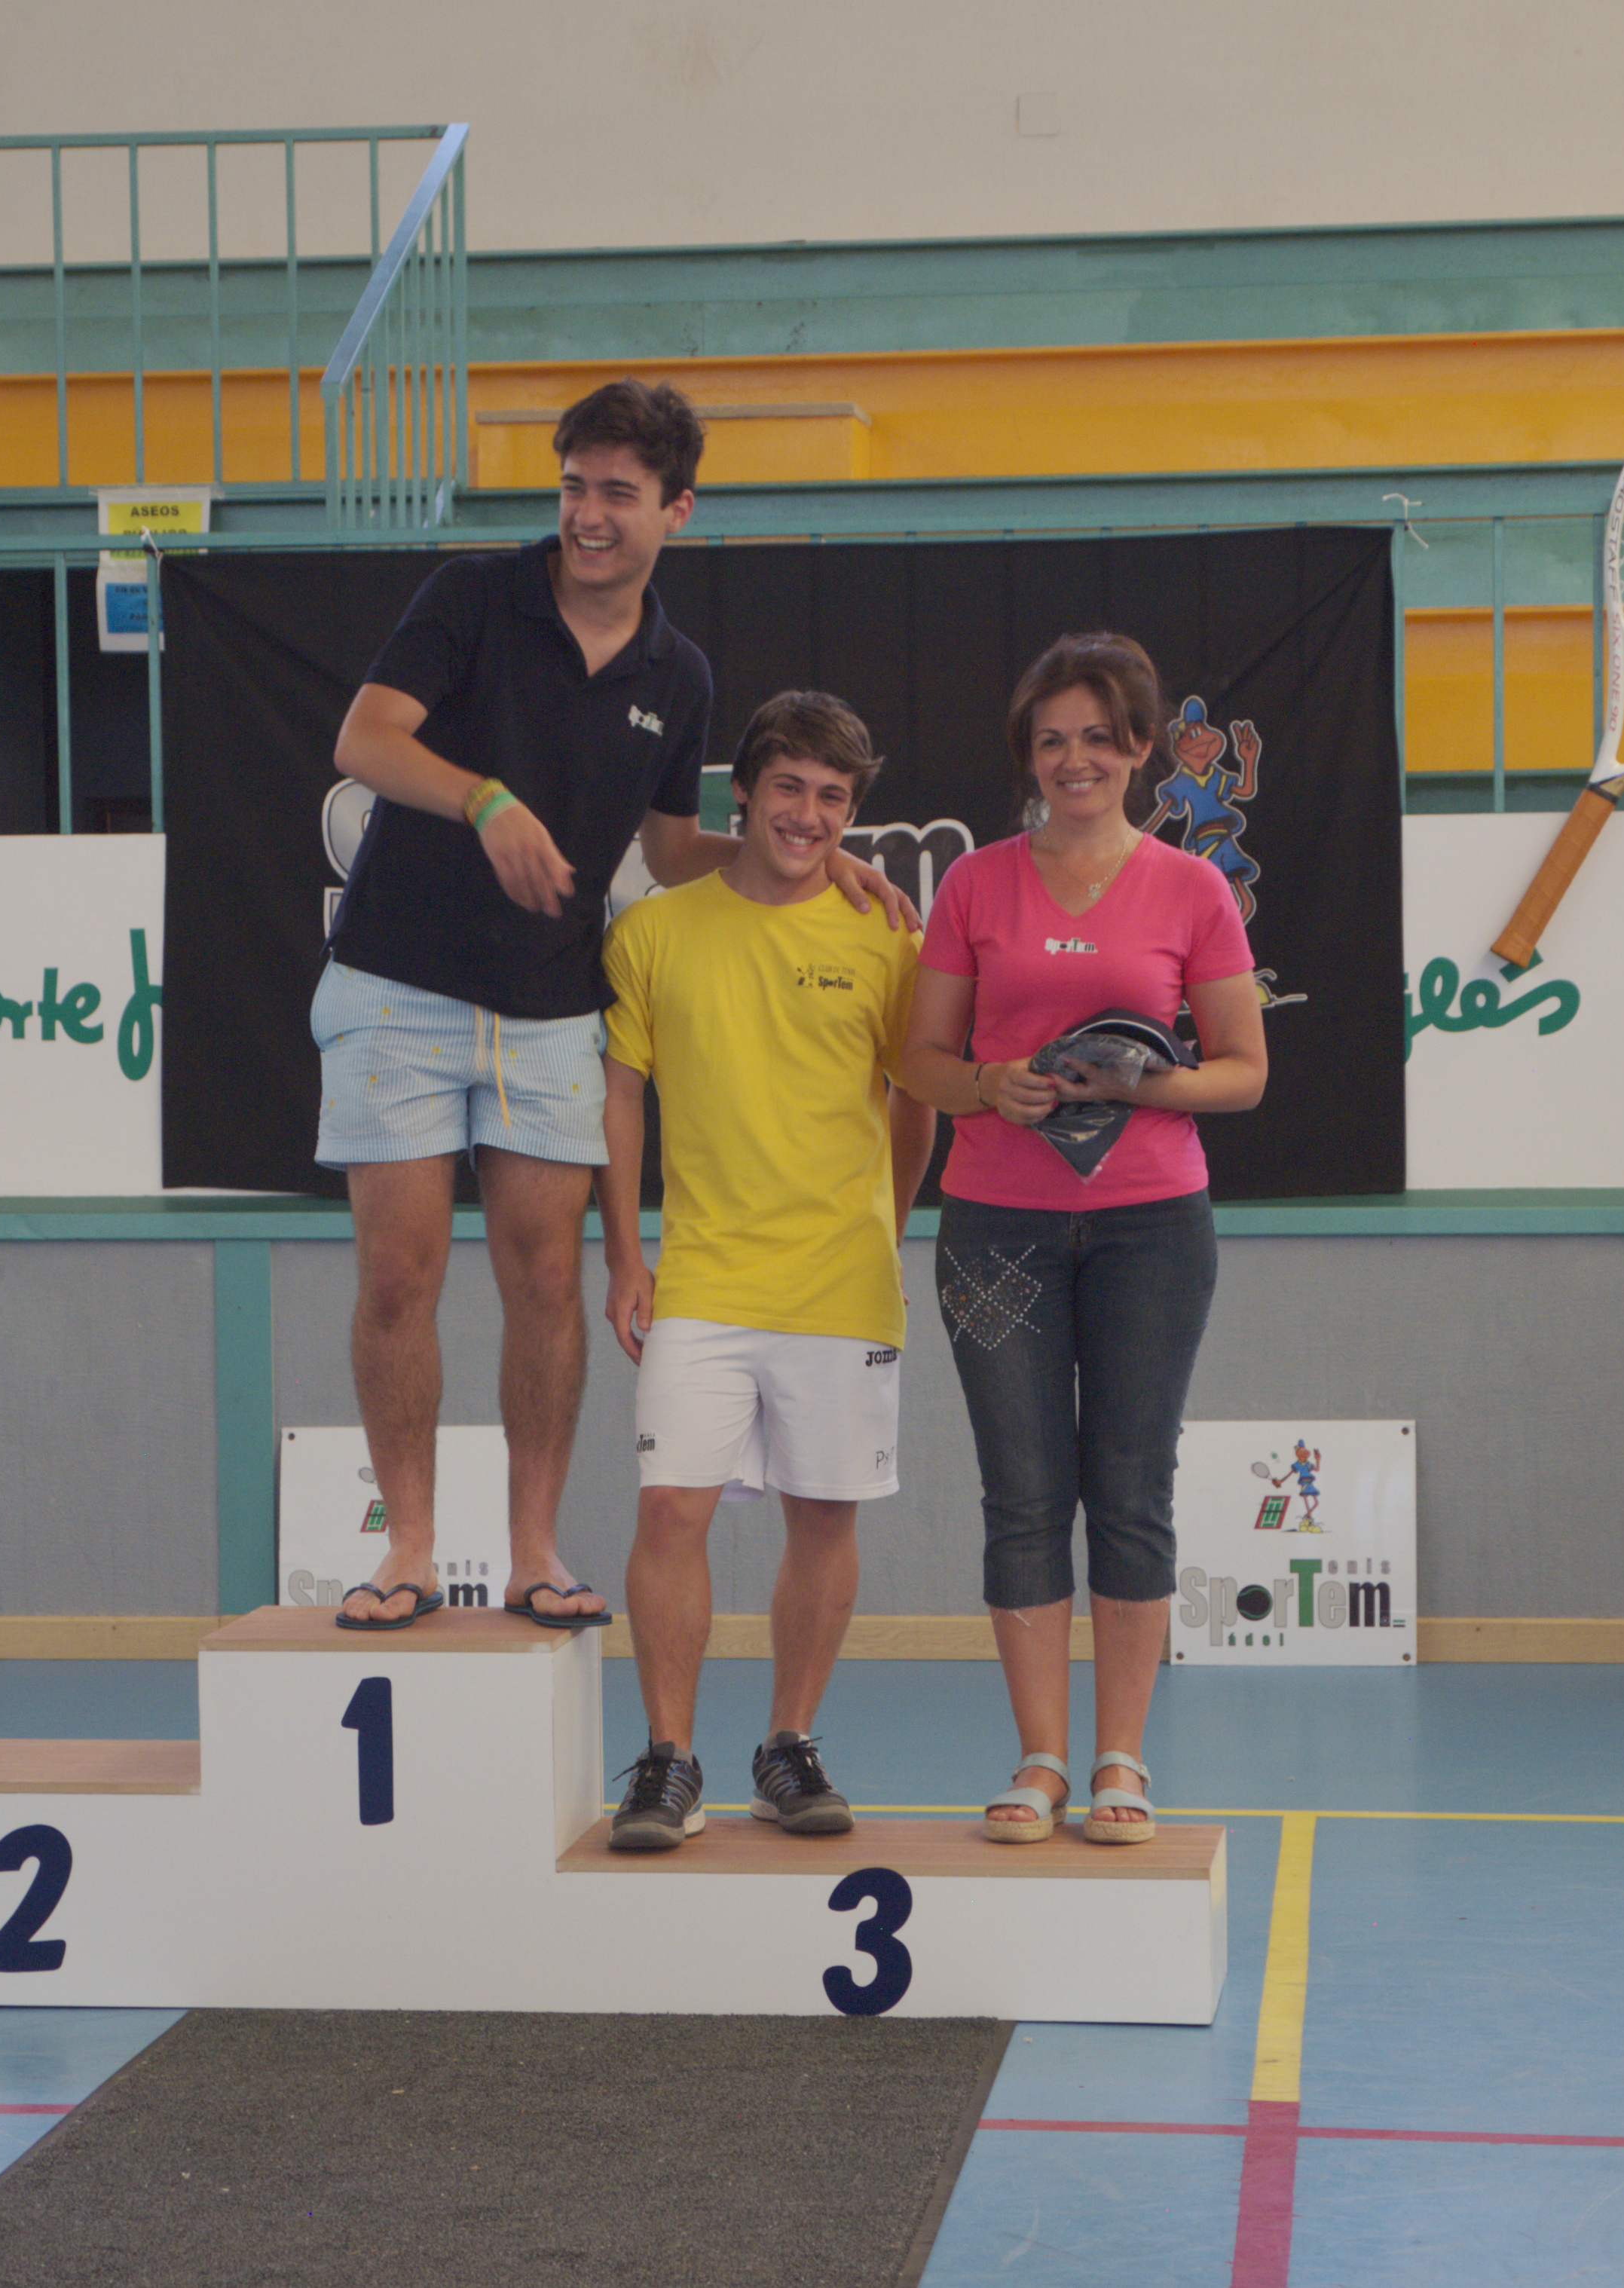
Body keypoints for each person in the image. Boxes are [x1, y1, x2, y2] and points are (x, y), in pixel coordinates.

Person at [315, 381, 911, 1634]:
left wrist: (808, 861)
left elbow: (672, 847)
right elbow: (364, 743)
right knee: (398, 1275)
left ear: (676, 511)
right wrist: (485, 800)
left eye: (619, 494)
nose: (589, 514)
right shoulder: (474, 596)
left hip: (548, 1008)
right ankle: (408, 1547)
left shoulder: (676, 673)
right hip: (397, 987)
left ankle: (533, 1548)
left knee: (545, 1277)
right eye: (574, 486)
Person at [896, 632, 1268, 1842]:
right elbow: (920, 1062)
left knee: (1130, 1489)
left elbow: (1245, 1073)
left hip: (1153, 1231)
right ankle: (1040, 1761)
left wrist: (1139, 1085)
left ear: (1141, 749)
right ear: (1028, 754)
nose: (1075, 761)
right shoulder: (973, 886)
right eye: (1052, 740)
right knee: (1022, 1493)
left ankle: (1120, 1761)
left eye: (1100, 739)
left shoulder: (1191, 889)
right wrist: (987, 1086)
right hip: (994, 1229)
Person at [594, 693, 934, 1849]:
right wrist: (626, 1255)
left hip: (842, 1282)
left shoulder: (885, 936)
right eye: (788, 787)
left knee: (824, 1518)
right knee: (669, 1509)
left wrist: (886, 1232)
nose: (808, 815)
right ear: (741, 792)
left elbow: (916, 1103)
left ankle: (788, 1747)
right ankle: (667, 1760)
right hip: (701, 1279)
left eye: (834, 798)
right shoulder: (654, 932)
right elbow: (621, 1098)